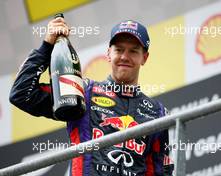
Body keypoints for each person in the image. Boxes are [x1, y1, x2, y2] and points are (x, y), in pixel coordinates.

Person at [9, 17, 173, 175]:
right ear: (109, 53)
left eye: (133, 51)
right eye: (119, 50)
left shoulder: (157, 113)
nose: (124, 57)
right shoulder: (83, 91)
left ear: (144, 57)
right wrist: (47, 46)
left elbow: (160, 171)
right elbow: (22, 93)